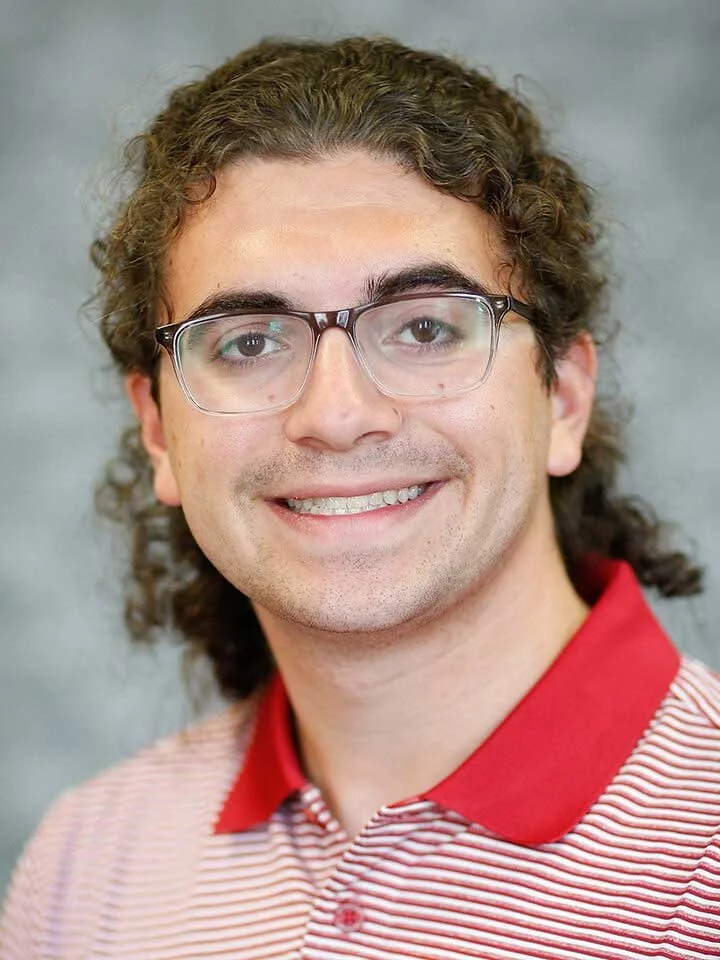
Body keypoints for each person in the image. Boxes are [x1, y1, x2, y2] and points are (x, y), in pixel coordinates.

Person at [2, 35, 718, 959]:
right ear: (160, 434)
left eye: (424, 328)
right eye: (249, 342)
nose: (336, 416)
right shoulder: (84, 873)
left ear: (564, 399)